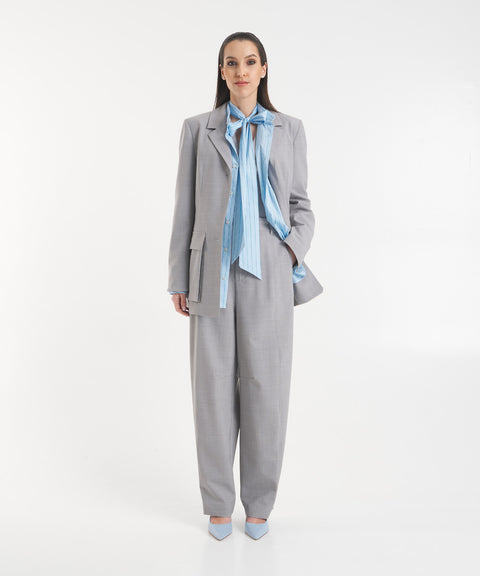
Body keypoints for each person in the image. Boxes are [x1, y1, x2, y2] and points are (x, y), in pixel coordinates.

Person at [167, 31, 323, 541]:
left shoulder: (289, 129)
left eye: (250, 62)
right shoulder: (198, 129)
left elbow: (301, 205)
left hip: (269, 270)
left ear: (263, 70)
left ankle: (260, 504)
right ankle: (218, 504)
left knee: (265, 388)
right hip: (209, 271)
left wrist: (289, 251)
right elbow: (185, 209)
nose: (241, 71)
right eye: (231, 63)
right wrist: (178, 276)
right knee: (211, 390)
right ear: (222, 71)